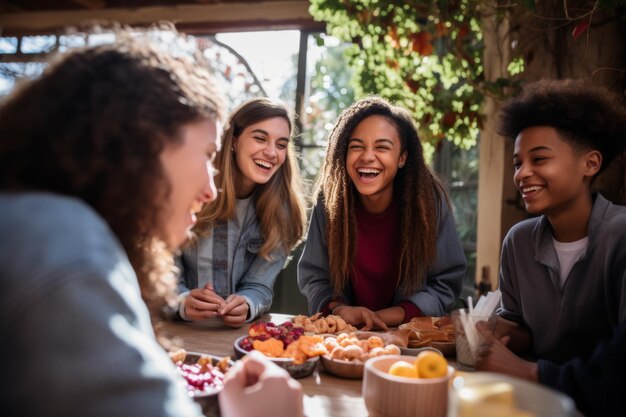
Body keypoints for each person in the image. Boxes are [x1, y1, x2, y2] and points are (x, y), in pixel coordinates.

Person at [0, 29, 302, 417]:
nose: (211, 189)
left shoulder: (46, 222)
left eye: (282, 143)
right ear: (145, 146)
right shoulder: (68, 253)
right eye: (206, 155)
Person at [474, 79, 626, 416]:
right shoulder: (518, 242)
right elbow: (521, 327)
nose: (523, 174)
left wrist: (531, 372)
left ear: (591, 163)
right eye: (517, 163)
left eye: (539, 159)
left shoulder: (621, 236)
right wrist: (494, 331)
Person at [298, 96, 466, 330]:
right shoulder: (329, 202)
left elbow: (444, 283)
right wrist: (339, 310)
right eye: (356, 146)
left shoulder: (428, 203)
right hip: (344, 335)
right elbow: (315, 276)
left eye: (382, 147)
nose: (367, 156)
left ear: (402, 158)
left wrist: (392, 315)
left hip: (410, 335)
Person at [175, 97, 307, 327]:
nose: (271, 153)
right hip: (177, 331)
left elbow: (259, 287)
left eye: (281, 144)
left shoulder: (282, 212)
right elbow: (162, 274)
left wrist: (247, 303)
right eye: (260, 138)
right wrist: (182, 301)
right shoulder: (189, 192)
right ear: (234, 140)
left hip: (236, 337)